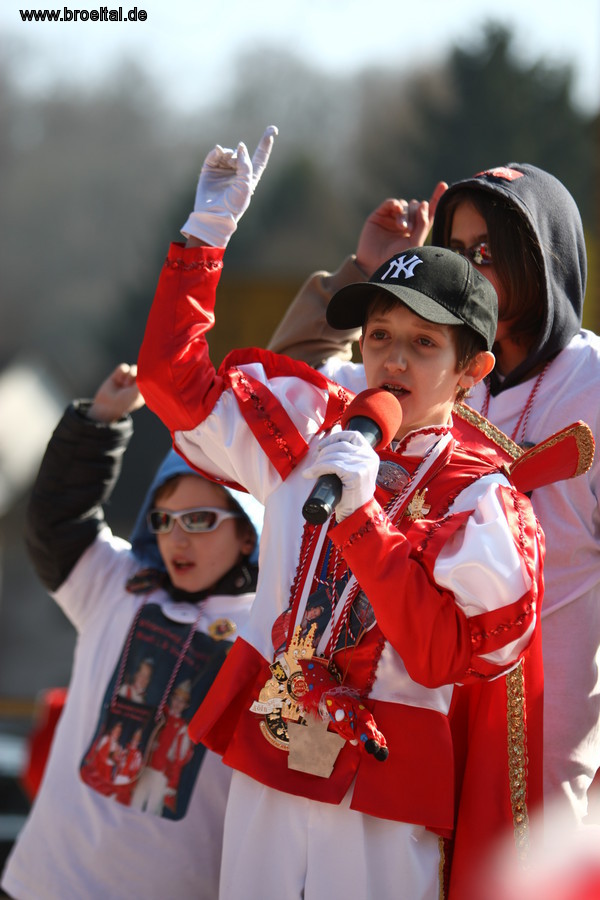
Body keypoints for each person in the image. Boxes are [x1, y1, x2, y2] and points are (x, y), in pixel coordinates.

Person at [136, 132, 546, 900]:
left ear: (472, 369)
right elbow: (171, 383)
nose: (394, 360)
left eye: (424, 343)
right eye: (380, 336)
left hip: (382, 796)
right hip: (271, 755)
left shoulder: (483, 499)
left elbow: (439, 655)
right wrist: (206, 233)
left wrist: (361, 520)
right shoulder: (308, 428)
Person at [268, 163, 600, 830]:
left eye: (489, 251)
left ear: (545, 258)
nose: (470, 268)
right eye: (457, 249)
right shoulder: (422, 365)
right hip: (413, 704)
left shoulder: (592, 383)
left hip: (544, 716)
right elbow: (289, 386)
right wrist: (375, 272)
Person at [0, 362, 264, 900]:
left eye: (199, 521)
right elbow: (57, 521)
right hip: (43, 887)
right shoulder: (117, 584)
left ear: (247, 533)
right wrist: (98, 424)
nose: (177, 539)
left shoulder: (275, 634)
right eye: (163, 520)